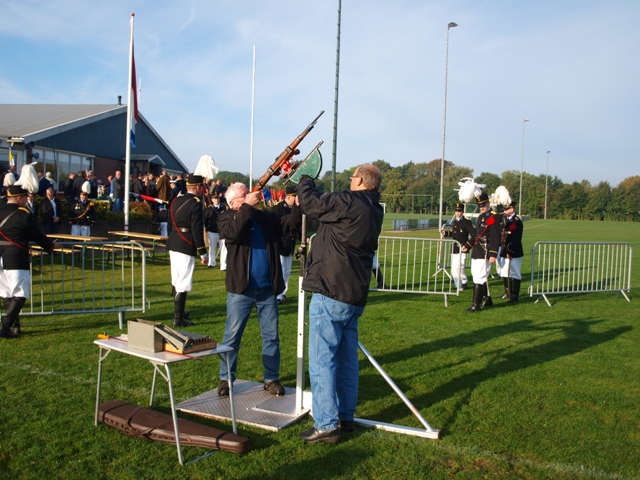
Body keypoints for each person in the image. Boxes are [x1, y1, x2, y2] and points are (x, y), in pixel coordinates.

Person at [296, 164, 384, 445]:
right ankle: (345, 417)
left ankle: (326, 424)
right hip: (354, 295)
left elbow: (310, 204)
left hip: (331, 290)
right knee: (347, 361)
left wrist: (306, 179)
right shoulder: (374, 208)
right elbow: (326, 209)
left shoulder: (348, 200)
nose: (349, 182)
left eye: (351, 178)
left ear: (359, 180)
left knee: (322, 360)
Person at [216, 182, 301, 398]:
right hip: (241, 290)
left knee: (271, 337)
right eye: (245, 195)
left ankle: (271, 378)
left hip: (267, 290)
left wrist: (298, 205)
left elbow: (287, 225)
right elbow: (234, 232)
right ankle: (226, 378)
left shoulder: (263, 217)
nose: (251, 196)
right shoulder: (227, 218)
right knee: (232, 336)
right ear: (234, 202)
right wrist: (247, 208)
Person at [0, 170, 60, 338]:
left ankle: (14, 327)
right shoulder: (24, 215)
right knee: (20, 293)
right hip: (15, 256)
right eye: (25, 197)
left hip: (1, 256)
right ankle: (5, 326)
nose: (27, 200)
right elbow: (38, 235)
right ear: (19, 198)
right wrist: (51, 246)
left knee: (6, 293)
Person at [166, 174, 208, 328]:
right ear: (197, 187)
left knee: (177, 278)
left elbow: (170, 223)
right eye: (202, 187)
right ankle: (178, 319)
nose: (202, 189)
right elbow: (197, 230)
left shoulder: (176, 200)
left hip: (174, 241)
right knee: (183, 281)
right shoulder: (195, 203)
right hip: (186, 243)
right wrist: (202, 252)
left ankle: (180, 312)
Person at [462, 193, 500, 312]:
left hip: (485, 251)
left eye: (483, 204)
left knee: (480, 276)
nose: (481, 207)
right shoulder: (481, 217)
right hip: (477, 251)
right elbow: (477, 235)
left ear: (488, 203)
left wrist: (493, 254)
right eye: (480, 205)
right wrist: (467, 246)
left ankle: (476, 304)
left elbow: (495, 236)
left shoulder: (494, 217)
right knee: (476, 275)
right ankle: (487, 299)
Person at [269, 185, 301, 303]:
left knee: (287, 270)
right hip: (280, 244)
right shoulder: (278, 209)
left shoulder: (293, 209)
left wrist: (302, 237)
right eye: (296, 196)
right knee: (280, 270)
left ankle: (283, 293)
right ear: (289, 197)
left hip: (289, 245)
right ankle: (277, 294)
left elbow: (296, 226)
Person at [498, 201, 524, 302]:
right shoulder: (506, 220)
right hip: (505, 250)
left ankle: (515, 295)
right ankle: (507, 293)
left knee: (515, 273)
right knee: (504, 272)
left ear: (512, 209)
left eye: (506, 209)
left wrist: (510, 252)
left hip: (514, 251)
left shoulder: (516, 221)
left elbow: (516, 239)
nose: (504, 211)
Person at [446, 202, 475, 291]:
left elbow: (473, 234)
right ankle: (460, 283)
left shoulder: (466, 222)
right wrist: (446, 233)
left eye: (459, 211)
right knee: (455, 267)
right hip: (455, 247)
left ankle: (461, 283)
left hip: (463, 247)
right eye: (456, 211)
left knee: (459, 266)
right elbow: (455, 234)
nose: (457, 213)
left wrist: (467, 245)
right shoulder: (455, 222)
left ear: (462, 212)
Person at [204, 195, 225, 268]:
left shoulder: (223, 208)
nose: (216, 200)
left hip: (222, 231)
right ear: (212, 200)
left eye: (217, 199)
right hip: (212, 231)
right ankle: (211, 263)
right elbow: (206, 219)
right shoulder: (209, 209)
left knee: (223, 248)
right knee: (212, 248)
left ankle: (223, 265)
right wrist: (207, 228)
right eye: (215, 199)